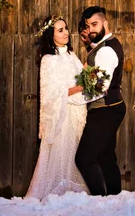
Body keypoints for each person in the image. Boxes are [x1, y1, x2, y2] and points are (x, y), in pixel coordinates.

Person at [25, 15, 88, 200]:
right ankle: (57, 191)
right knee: (61, 152)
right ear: (51, 35)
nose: (66, 32)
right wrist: (79, 87)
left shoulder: (72, 56)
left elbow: (80, 78)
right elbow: (52, 92)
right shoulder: (48, 59)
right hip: (61, 115)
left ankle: (76, 192)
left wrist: (88, 75)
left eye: (66, 28)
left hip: (77, 113)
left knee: (77, 153)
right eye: (60, 30)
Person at [73, 6, 126, 196]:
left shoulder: (106, 51)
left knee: (84, 159)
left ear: (105, 22)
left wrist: (73, 97)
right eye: (88, 26)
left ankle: (100, 198)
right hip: (112, 108)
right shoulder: (105, 45)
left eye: (95, 24)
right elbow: (98, 64)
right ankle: (114, 197)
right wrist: (89, 46)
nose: (92, 29)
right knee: (106, 156)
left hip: (105, 110)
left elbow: (99, 88)